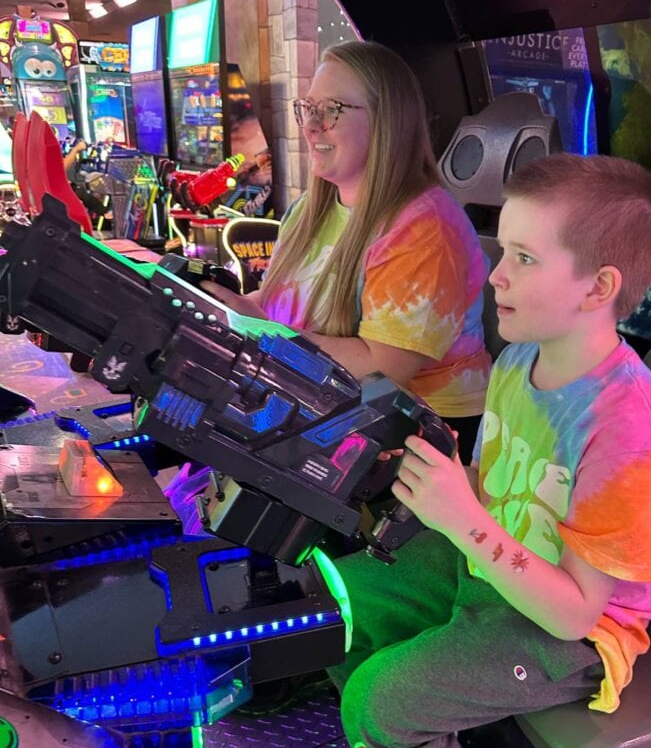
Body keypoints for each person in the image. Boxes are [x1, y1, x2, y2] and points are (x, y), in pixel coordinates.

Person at [327, 152, 651, 748]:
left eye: (524, 259)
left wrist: (461, 519)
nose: (495, 275)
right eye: (503, 250)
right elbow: (496, 497)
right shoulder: (519, 362)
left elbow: (572, 614)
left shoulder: (631, 432)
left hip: (576, 632)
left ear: (598, 289)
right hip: (495, 571)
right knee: (334, 601)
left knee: (378, 701)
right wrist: (436, 492)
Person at [199, 39, 490, 451]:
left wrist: (260, 333)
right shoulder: (311, 208)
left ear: (387, 122)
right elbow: (284, 301)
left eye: (332, 109)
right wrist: (230, 308)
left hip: (419, 434)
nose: (311, 125)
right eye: (308, 108)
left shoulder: (425, 227)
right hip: (326, 408)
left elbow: (382, 369)